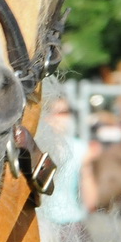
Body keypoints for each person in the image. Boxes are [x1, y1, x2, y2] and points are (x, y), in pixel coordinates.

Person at [38, 97, 95, 226]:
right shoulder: (81, 149)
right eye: (60, 112)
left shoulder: (82, 149)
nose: (64, 117)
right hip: (43, 223)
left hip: (69, 221)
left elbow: (90, 198)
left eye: (67, 112)